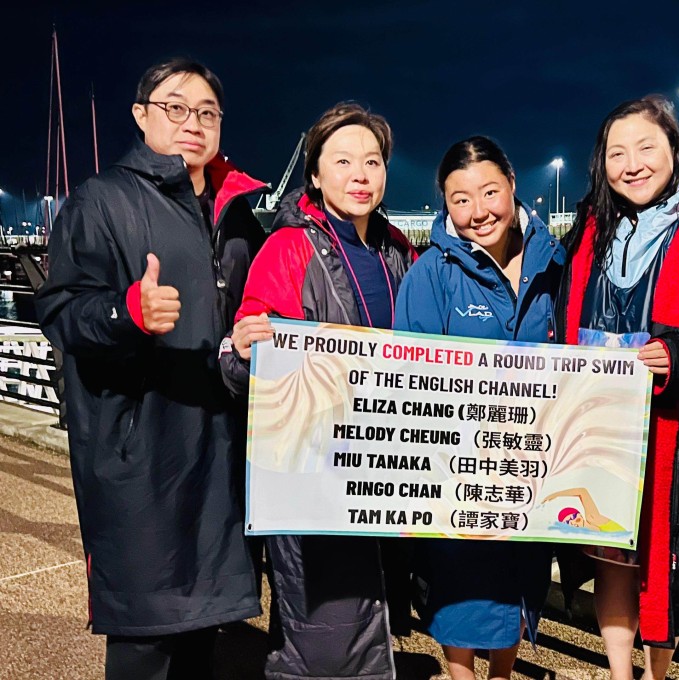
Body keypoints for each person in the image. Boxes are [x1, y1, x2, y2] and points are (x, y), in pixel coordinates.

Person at [35, 59, 267, 679]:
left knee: (202, 634)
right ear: (141, 116)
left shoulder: (237, 212)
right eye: (175, 106)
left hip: (220, 455)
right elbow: (59, 311)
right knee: (145, 638)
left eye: (208, 112)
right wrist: (125, 310)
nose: (193, 121)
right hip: (140, 453)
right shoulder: (100, 199)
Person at [220, 102, 417, 680]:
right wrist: (244, 350)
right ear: (315, 175)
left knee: (366, 620)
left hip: (384, 470)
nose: (361, 174)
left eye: (374, 161)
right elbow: (242, 359)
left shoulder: (398, 250)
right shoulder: (287, 248)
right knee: (319, 641)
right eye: (344, 160)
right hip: (313, 476)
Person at [556, 95, 679, 680]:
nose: (631, 164)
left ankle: (657, 672)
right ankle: (619, 672)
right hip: (599, 427)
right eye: (617, 153)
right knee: (610, 559)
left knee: (661, 563)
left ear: (675, 151)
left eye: (646, 148)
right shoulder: (589, 229)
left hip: (675, 429)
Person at [392, 136, 563, 680]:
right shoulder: (432, 272)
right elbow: (409, 371)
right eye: (460, 199)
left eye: (490, 192)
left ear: (513, 187)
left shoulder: (554, 262)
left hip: (533, 464)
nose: (478, 211)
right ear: (444, 206)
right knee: (460, 593)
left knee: (517, 592)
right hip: (458, 470)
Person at [544, 487, 626, 532]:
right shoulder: (583, 535)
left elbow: (582, 491)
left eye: (573, 517)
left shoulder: (593, 518)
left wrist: (557, 494)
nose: (573, 522)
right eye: (568, 522)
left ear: (580, 514)